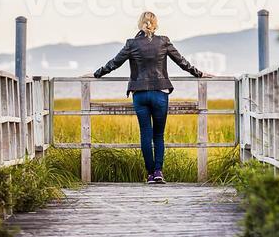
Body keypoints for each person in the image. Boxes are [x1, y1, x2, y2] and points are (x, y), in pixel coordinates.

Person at [88, 11, 211, 184]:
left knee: (145, 133)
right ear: (156, 24)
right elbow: (182, 62)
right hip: (160, 93)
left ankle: (150, 174)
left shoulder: (131, 44)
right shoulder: (164, 41)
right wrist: (199, 73)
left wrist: (95, 74)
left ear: (140, 24)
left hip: (139, 94)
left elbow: (114, 63)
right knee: (158, 135)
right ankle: (159, 172)